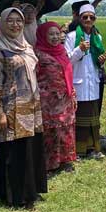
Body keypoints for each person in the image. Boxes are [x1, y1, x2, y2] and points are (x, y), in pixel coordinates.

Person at [0, 8, 47, 207]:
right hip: (10, 107)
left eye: (18, 21)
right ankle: (13, 196)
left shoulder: (27, 46)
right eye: (10, 21)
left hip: (31, 105)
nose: (15, 25)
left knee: (30, 149)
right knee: (13, 152)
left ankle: (30, 190)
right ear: (3, 23)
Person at [34, 22, 77, 172]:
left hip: (65, 96)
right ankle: (49, 163)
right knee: (50, 131)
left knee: (66, 129)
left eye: (57, 34)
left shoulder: (62, 51)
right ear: (43, 36)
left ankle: (65, 160)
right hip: (47, 100)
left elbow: (68, 73)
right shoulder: (37, 53)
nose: (55, 37)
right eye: (51, 34)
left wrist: (72, 92)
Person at [65, 4, 106, 158]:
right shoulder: (71, 37)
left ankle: (92, 148)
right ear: (80, 19)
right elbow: (66, 61)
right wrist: (79, 50)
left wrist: (102, 61)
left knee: (92, 118)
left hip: (93, 83)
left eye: (91, 17)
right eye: (85, 17)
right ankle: (77, 150)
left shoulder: (98, 37)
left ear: (95, 19)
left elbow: (97, 62)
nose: (88, 20)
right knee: (79, 117)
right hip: (79, 83)